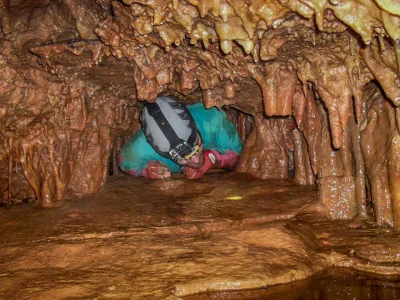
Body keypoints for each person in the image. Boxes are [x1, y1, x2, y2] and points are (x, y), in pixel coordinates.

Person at [118, 96, 242, 179]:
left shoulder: (212, 120)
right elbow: (123, 162)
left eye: (196, 146)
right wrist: (146, 170)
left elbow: (237, 151)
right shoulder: (141, 148)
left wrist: (211, 158)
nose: (196, 160)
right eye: (183, 157)